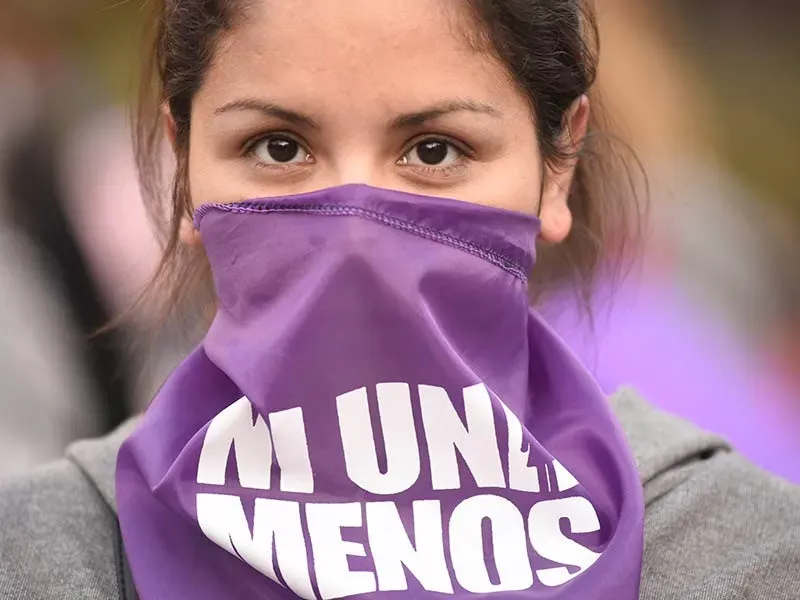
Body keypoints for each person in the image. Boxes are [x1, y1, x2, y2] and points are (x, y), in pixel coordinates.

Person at [1, 1, 798, 599]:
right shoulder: (37, 555)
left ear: (558, 167)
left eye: (434, 150)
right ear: (183, 166)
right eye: (278, 147)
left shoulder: (745, 557)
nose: (355, 234)